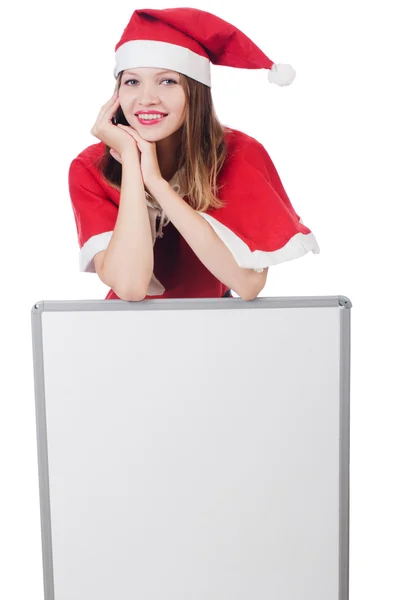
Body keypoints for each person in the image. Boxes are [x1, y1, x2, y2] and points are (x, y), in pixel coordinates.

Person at [68, 7, 320, 302]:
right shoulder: (90, 167)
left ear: (195, 91)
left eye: (167, 81)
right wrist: (132, 165)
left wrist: (157, 183)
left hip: (215, 332)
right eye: (132, 81)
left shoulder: (241, 155)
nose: (147, 98)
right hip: (126, 337)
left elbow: (248, 285)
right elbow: (130, 286)